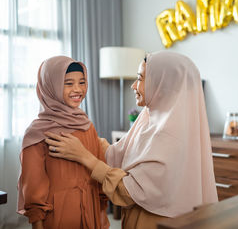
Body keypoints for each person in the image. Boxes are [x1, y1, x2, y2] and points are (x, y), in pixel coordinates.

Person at [45, 51, 218, 229]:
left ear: (164, 85)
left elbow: (129, 191)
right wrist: (83, 136)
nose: (134, 86)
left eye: (140, 78)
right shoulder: (148, 118)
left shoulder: (170, 137)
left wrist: (84, 156)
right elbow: (118, 153)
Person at [17, 56, 109, 229]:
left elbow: (100, 177)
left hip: (91, 212)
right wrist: (38, 224)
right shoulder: (37, 133)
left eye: (82, 82)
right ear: (51, 86)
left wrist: (102, 216)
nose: (78, 89)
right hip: (58, 216)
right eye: (68, 83)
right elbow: (33, 188)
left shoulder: (87, 126)